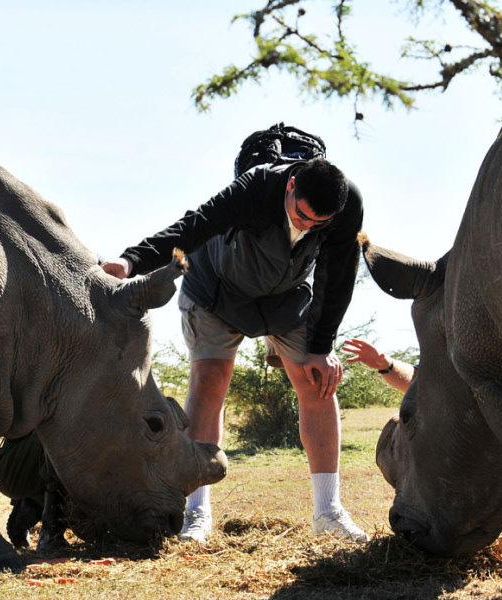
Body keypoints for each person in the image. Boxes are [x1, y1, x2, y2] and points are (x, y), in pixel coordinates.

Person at [102, 157, 367, 543]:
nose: (307, 226)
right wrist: (132, 261)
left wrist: (321, 347)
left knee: (317, 381)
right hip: (216, 290)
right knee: (210, 381)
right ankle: (196, 513)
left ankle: (328, 511)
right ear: (291, 186)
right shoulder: (257, 187)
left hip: (285, 297)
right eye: (302, 216)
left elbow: (338, 276)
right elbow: (195, 225)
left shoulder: (346, 209)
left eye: (318, 223)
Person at [342, 337, 502, 542]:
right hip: (462, 445)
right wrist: (386, 365)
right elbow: (419, 381)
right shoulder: (456, 348)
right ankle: (498, 514)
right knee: (393, 437)